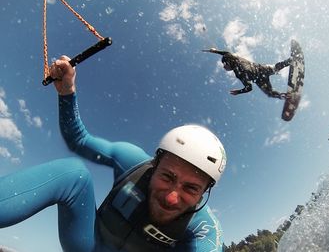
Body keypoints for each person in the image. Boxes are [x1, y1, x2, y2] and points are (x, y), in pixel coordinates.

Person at [0, 55, 227, 252]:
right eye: (167, 177)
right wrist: (67, 92)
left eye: (191, 188)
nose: (171, 198)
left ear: (204, 193)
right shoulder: (132, 162)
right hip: (87, 244)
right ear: (154, 165)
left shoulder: (205, 229)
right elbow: (79, 140)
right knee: (73, 173)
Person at [203, 48, 292, 99]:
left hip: (260, 79)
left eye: (225, 64)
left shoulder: (239, 72)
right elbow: (225, 53)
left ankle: (284, 96)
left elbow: (249, 88)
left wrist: (239, 92)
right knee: (275, 68)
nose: (224, 67)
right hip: (261, 70)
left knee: (270, 92)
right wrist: (215, 51)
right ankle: (290, 61)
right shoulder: (236, 58)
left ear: (229, 61)